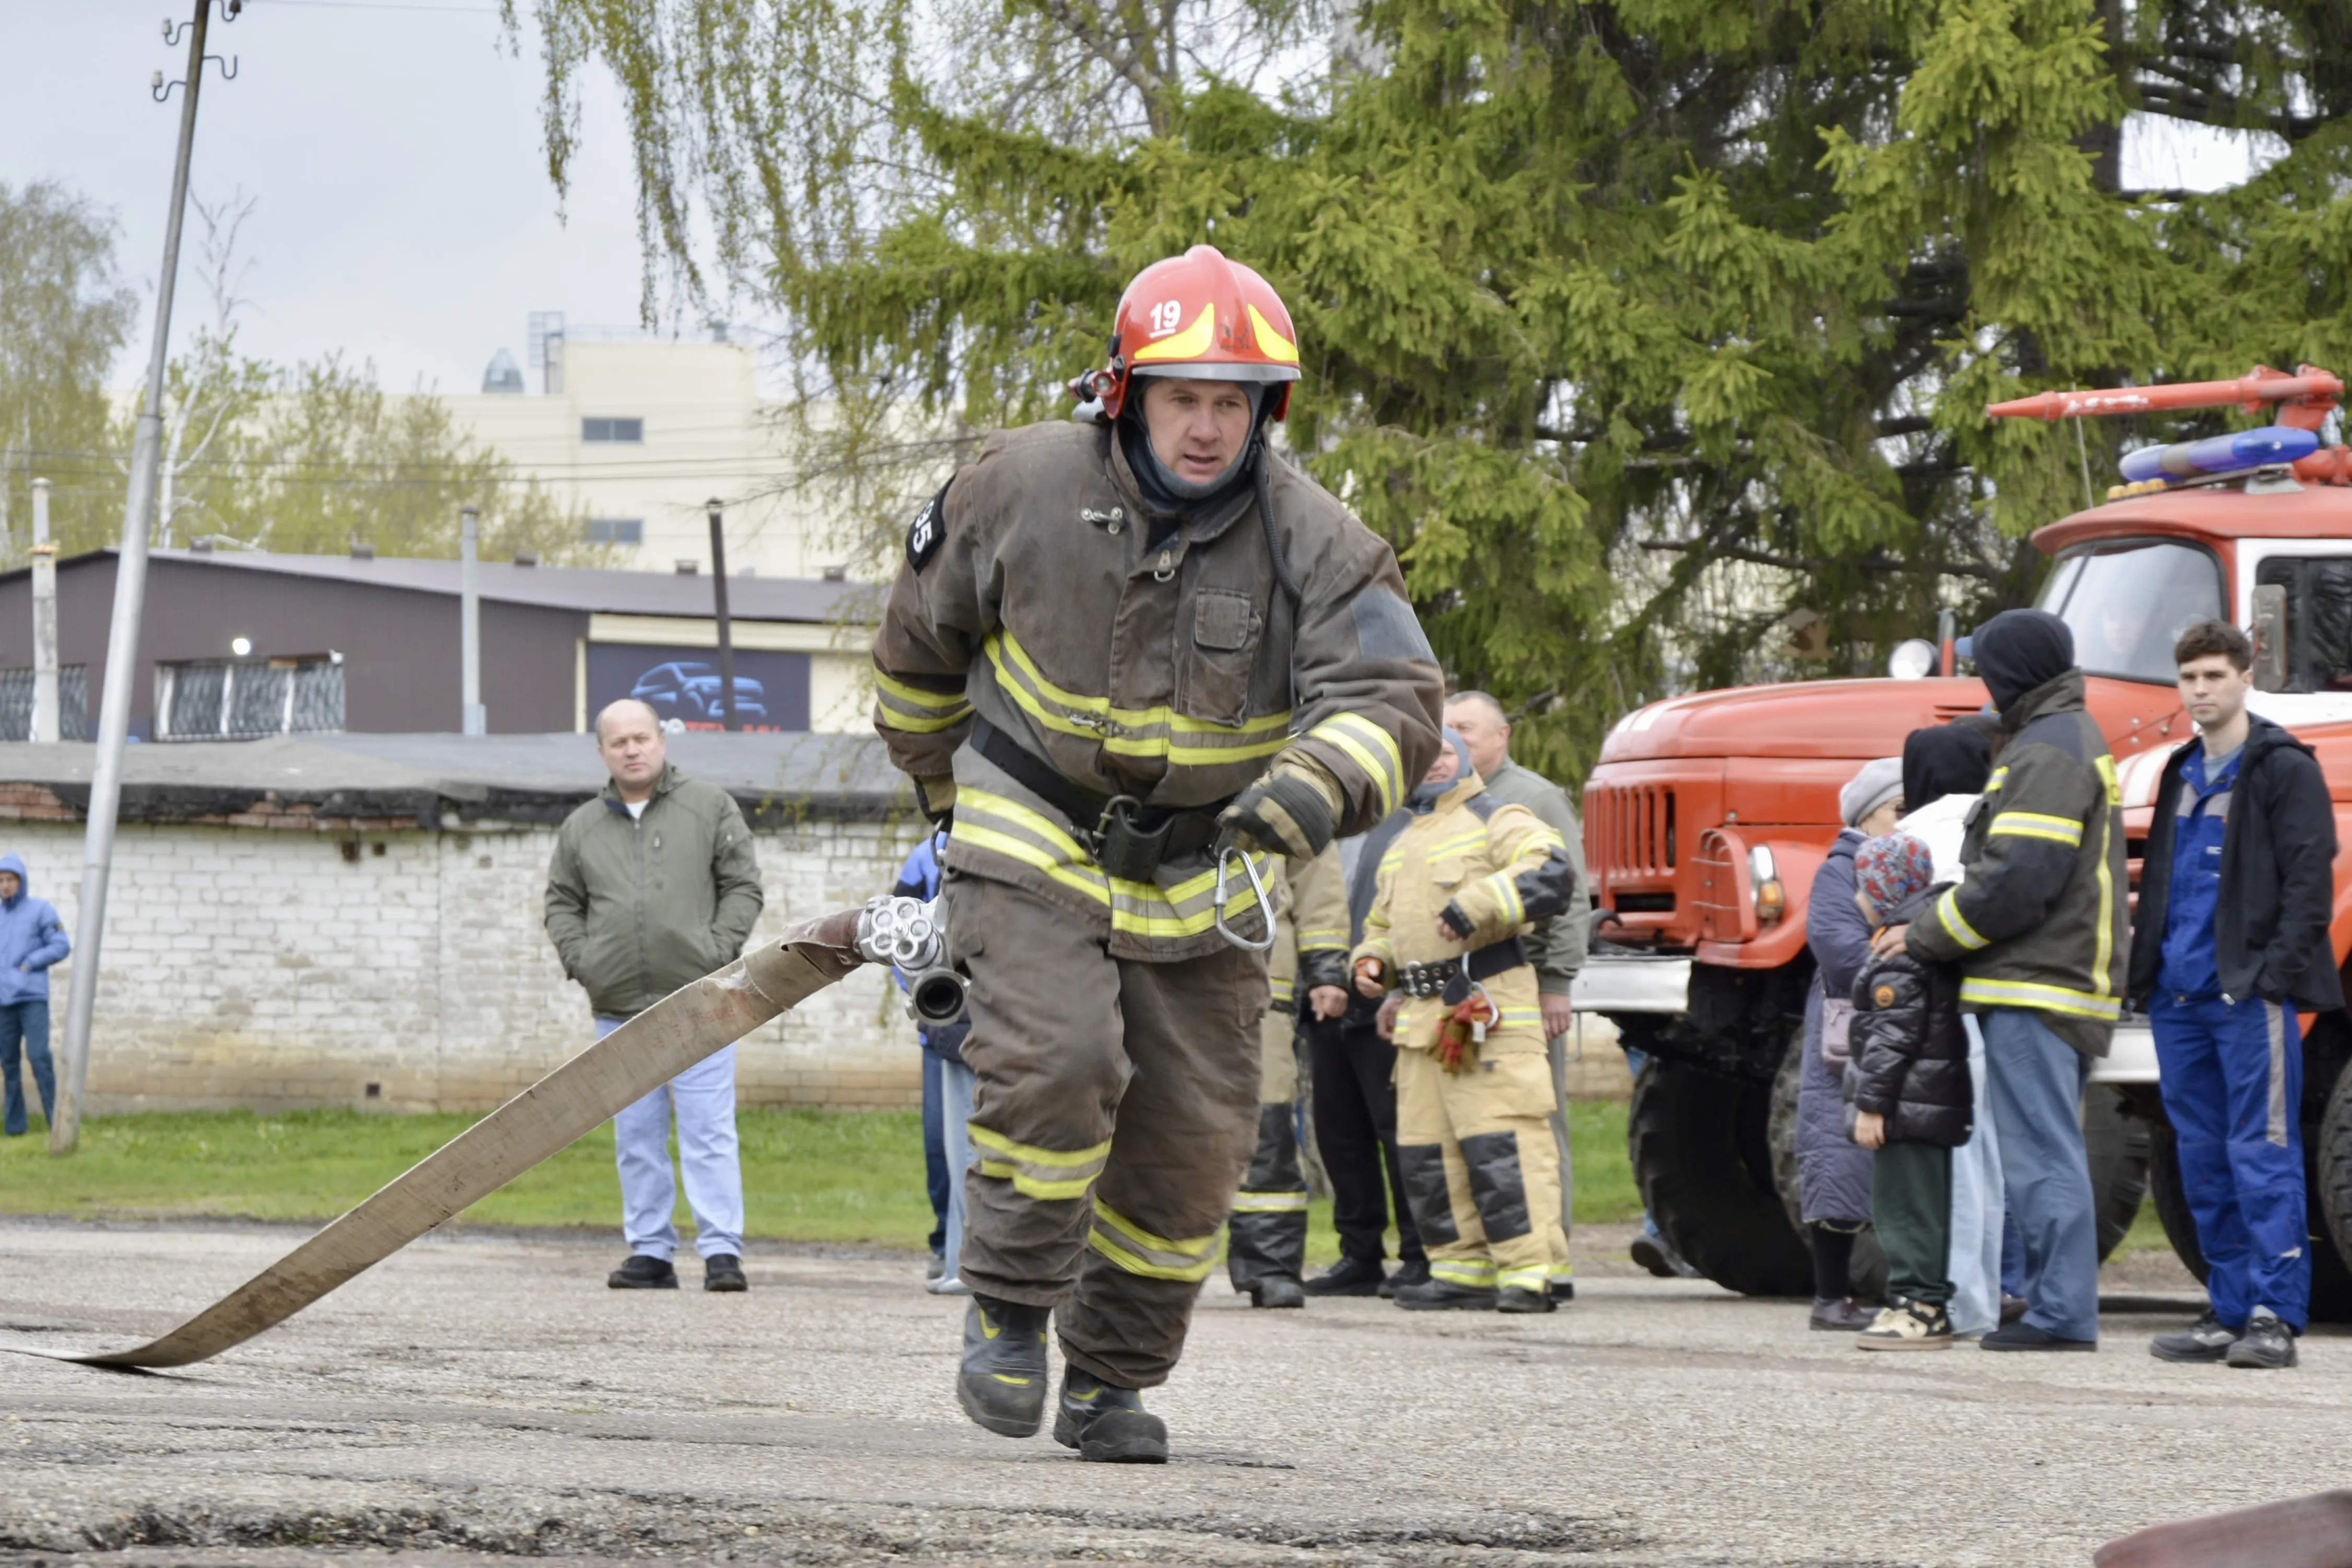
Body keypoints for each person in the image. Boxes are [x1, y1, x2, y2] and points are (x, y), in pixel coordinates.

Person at [870, 244, 1444, 1462]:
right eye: (1183, 397)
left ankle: (1109, 1378)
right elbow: (919, 642)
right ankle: (1009, 1309)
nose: (1206, 427)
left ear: (1264, 410)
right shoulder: (1019, 484)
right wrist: (938, 792)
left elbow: (1393, 696)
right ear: (1125, 392)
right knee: (1059, 1063)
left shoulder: (1319, 539)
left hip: (1207, 870)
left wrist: (1311, 789)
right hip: (1030, 832)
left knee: (1193, 1144)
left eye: (1232, 401)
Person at [1892, 608, 2128, 1352]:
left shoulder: (2047, 751)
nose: (1980, 682)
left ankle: (2060, 1314)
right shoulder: (2053, 738)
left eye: (1986, 667)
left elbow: (2015, 882)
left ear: (2014, 671)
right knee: (2040, 1151)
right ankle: (2056, 1305)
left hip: (2038, 983)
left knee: (2039, 1156)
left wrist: (1923, 935)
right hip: (2044, 978)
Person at [2131, 619, 2337, 1371]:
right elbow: (2161, 882)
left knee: (2263, 1151)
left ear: (2246, 677)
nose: (2200, 690)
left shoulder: (2283, 767)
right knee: (2202, 1157)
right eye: (2189, 677)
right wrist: (2146, 977)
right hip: (2178, 1000)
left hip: (2246, 1000)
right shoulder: (2179, 770)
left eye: (2215, 675)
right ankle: (2227, 1309)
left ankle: (2273, 1315)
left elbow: (2310, 882)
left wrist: (2270, 979)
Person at [1349, 727, 1579, 1312]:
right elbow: (1381, 925)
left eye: (1446, 751)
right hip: (1422, 1023)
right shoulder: (1402, 839)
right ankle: (1461, 1270)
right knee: (1428, 1154)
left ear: (1466, 759)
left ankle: (1531, 1272)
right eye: (1424, 756)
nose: (1434, 763)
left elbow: (1552, 870)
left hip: (1489, 1010)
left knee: (1503, 1144)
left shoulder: (1498, 817)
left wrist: (1476, 905)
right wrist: (1372, 962)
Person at [546, 699, 766, 1293]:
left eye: (641, 738)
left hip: (700, 1004)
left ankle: (721, 1252)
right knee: (636, 1135)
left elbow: (742, 885)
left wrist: (716, 951)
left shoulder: (709, 806)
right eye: (619, 742)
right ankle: (651, 1252)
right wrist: (585, 963)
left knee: (708, 1132)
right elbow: (562, 902)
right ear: (602, 752)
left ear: (661, 742)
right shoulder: (581, 827)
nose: (632, 750)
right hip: (618, 1009)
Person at [1444, 691, 1590, 1298]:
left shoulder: (1533, 798)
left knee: (1534, 1121)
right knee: (1477, 1125)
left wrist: (1556, 983)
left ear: (1501, 735)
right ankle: (1491, 1255)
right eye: (1445, 728)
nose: (1454, 738)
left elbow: (1569, 896)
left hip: (1524, 986)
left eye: (1466, 727)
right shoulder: (1445, 804)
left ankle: (1552, 1257)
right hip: (1463, 992)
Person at [1892, 719, 2014, 1338]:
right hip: (1990, 1005)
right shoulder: (1996, 827)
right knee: (1987, 1161)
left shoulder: (1907, 839)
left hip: (1923, 1014)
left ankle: (1951, 1301)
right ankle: (1983, 1298)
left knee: (1943, 1163)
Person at [1845, 832, 1973, 1350]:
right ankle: (1913, 1301)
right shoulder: (1915, 939)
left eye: (1864, 886)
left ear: (1885, 889)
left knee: (1907, 1208)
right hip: (1920, 1101)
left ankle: (1921, 1307)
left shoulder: (1899, 954)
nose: (1857, 897)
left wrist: (1870, 1105)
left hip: (1907, 1105)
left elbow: (1892, 1038)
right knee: (1911, 1205)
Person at [1301, 820, 1430, 1298]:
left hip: (1384, 1000)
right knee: (1339, 1135)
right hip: (1322, 1001)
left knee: (1398, 1130)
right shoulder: (1320, 831)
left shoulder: (1407, 827)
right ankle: (1359, 1255)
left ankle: (1418, 1254)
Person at [1798, 758, 1902, 1330]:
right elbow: (1838, 948)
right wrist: (1909, 973)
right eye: (1898, 809)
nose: (1907, 820)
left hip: (1891, 1022)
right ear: (1866, 817)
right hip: (1850, 1032)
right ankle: (1831, 1296)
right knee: (1836, 1153)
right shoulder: (1839, 871)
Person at [1228, 846, 1351, 1308]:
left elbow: (1318, 887)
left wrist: (1327, 971)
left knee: (1269, 1127)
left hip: (1261, 997)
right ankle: (1133, 1274)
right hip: (1156, 982)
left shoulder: (1284, 803)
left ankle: (1271, 1266)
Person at [893, 828, 976, 1295]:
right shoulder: (926, 857)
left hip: (997, 1025)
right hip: (943, 1032)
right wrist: (922, 995)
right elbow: (897, 933)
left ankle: (974, 1257)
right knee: (942, 1149)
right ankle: (947, 1245)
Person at [0, 853, 69, 1138]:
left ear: (22, 882)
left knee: (39, 1056)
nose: (6, 885)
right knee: (8, 1062)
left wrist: (29, 963)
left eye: (11, 880)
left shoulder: (41, 910)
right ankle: (15, 1127)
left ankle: (58, 1122)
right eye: (1, 880)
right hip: (3, 1002)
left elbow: (61, 945)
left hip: (32, 999)